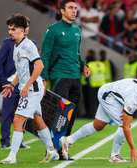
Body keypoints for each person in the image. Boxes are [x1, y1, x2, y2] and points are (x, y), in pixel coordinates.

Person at [0, 14, 58, 164]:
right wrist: (12, 85)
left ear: (23, 30)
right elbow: (20, 71)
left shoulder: (28, 45)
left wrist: (26, 86)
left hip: (32, 89)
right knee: (38, 121)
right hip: (29, 88)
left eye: (13, 29)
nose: (10, 32)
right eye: (9, 29)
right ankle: (52, 151)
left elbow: (39, 66)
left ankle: (12, 157)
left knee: (17, 120)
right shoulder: (16, 46)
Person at [60, 78, 137, 163]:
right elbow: (126, 126)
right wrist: (133, 148)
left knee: (98, 125)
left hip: (111, 92)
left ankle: (68, 140)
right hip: (109, 96)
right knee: (124, 124)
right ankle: (115, 156)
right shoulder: (133, 100)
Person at [40, 0, 90, 158]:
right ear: (62, 11)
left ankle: (63, 149)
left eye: (76, 8)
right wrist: (43, 77)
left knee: (71, 115)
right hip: (60, 76)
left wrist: (83, 66)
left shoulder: (77, 30)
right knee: (58, 115)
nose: (74, 11)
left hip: (76, 77)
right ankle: (50, 149)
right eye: (70, 8)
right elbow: (45, 55)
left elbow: (76, 53)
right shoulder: (53, 30)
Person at [0, 13, 30, 150]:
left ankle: (19, 140)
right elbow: (0, 64)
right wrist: (4, 82)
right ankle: (5, 140)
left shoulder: (30, 44)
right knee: (7, 114)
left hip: (23, 85)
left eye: (27, 26)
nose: (26, 28)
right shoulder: (7, 43)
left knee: (22, 114)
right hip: (10, 85)